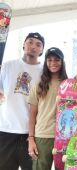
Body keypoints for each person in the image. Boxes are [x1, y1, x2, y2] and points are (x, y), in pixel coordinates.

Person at [0, 32, 45, 170]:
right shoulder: (7, 66)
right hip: (5, 129)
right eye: (30, 42)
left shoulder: (44, 71)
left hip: (31, 133)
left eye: (38, 44)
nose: (33, 46)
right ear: (23, 44)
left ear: (42, 50)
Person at [27, 47, 68, 170]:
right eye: (49, 60)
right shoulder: (39, 85)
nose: (53, 63)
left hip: (64, 136)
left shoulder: (69, 85)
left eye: (57, 60)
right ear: (45, 62)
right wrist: (31, 139)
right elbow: (32, 114)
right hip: (42, 136)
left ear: (62, 62)